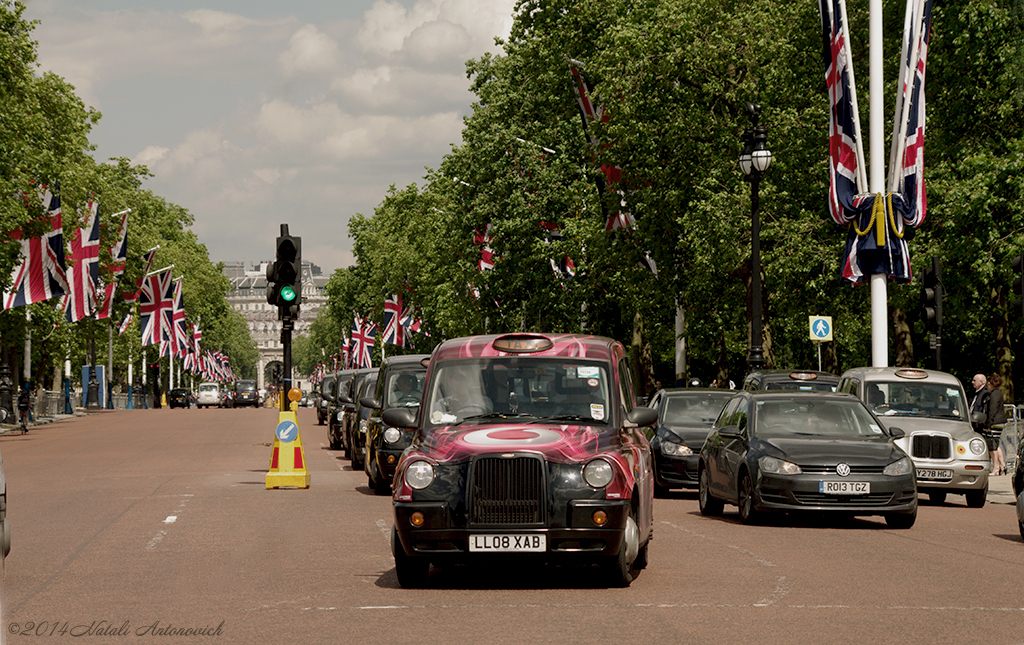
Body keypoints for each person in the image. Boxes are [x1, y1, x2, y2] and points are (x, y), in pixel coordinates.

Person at [987, 373, 1008, 475]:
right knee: (996, 443)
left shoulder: (994, 394)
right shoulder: (998, 393)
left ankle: (996, 467)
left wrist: (988, 424)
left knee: (992, 445)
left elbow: (993, 410)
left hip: (995, 422)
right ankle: (1002, 465)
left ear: (991, 383)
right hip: (999, 422)